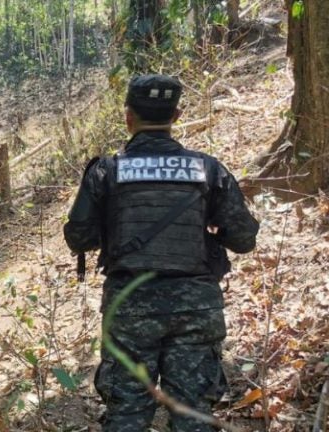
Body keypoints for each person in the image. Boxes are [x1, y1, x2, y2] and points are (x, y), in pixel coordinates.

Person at [63, 75, 259, 431]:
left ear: (128, 117)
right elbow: (244, 238)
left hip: (130, 307)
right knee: (193, 413)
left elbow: (79, 238)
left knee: (126, 415)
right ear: (177, 114)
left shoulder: (107, 171)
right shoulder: (208, 169)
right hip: (196, 307)